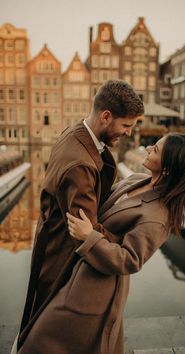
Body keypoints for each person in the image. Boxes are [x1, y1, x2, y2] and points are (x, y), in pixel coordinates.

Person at [17, 133, 185, 354]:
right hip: (80, 268)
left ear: (167, 169)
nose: (148, 147)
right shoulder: (135, 180)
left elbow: (130, 260)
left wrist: (89, 237)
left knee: (41, 342)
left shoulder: (159, 217)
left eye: (157, 149)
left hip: (97, 287)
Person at [15, 80, 144, 353]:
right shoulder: (80, 166)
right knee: (51, 329)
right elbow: (86, 230)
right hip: (60, 256)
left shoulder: (76, 132)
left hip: (50, 241)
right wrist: (126, 242)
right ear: (106, 116)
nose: (129, 133)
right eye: (126, 125)